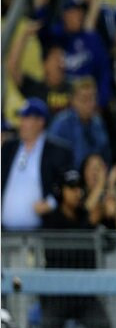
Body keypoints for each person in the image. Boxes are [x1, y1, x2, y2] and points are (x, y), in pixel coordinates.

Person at [30, 169, 114, 328]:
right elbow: (62, 251)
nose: (77, 193)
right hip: (58, 294)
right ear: (61, 192)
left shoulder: (87, 216)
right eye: (72, 188)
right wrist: (89, 226)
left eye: (79, 188)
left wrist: (109, 217)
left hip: (85, 295)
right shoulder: (52, 219)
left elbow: (111, 243)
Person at [1, 98, 73, 230]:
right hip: (5, 234)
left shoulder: (57, 150)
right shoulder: (8, 147)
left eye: (26, 118)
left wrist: (52, 202)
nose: (21, 123)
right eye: (21, 118)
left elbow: (66, 182)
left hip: (40, 234)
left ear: (40, 122)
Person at [48, 76, 112, 170]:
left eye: (92, 98)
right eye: (84, 99)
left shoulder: (98, 123)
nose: (90, 104)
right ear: (73, 101)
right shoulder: (61, 123)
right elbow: (50, 157)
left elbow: (106, 157)